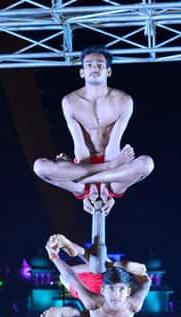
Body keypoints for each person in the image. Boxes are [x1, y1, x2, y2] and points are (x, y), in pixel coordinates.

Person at [33, 46, 154, 204]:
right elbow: (80, 146)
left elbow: (113, 145)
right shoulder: (70, 102)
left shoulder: (123, 101)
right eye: (89, 65)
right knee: (39, 167)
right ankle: (87, 181)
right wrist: (95, 178)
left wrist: (104, 185)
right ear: (82, 72)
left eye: (99, 65)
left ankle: (89, 180)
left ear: (108, 71)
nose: (94, 68)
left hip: (114, 175)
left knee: (147, 164)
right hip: (84, 168)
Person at [44, 234, 151, 317]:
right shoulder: (134, 305)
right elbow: (146, 281)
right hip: (103, 281)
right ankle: (114, 265)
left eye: (121, 290)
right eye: (113, 290)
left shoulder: (92, 302)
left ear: (128, 292)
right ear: (103, 290)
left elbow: (71, 276)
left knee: (67, 276)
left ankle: (115, 265)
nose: (116, 295)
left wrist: (53, 256)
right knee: (103, 266)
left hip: (92, 283)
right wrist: (134, 271)